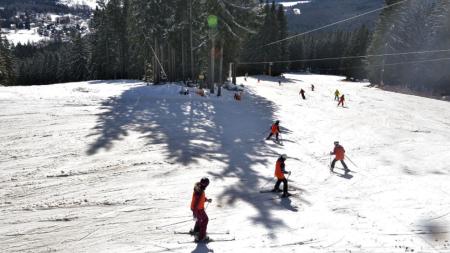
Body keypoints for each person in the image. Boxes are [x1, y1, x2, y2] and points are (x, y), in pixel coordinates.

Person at [190, 177, 212, 242]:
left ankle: (196, 231)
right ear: (205, 184)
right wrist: (195, 212)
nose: (207, 186)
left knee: (199, 219)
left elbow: (201, 199)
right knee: (205, 220)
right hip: (198, 209)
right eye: (207, 184)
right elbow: (196, 203)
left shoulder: (199, 189)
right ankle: (201, 237)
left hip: (198, 208)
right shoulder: (199, 191)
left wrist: (206, 200)